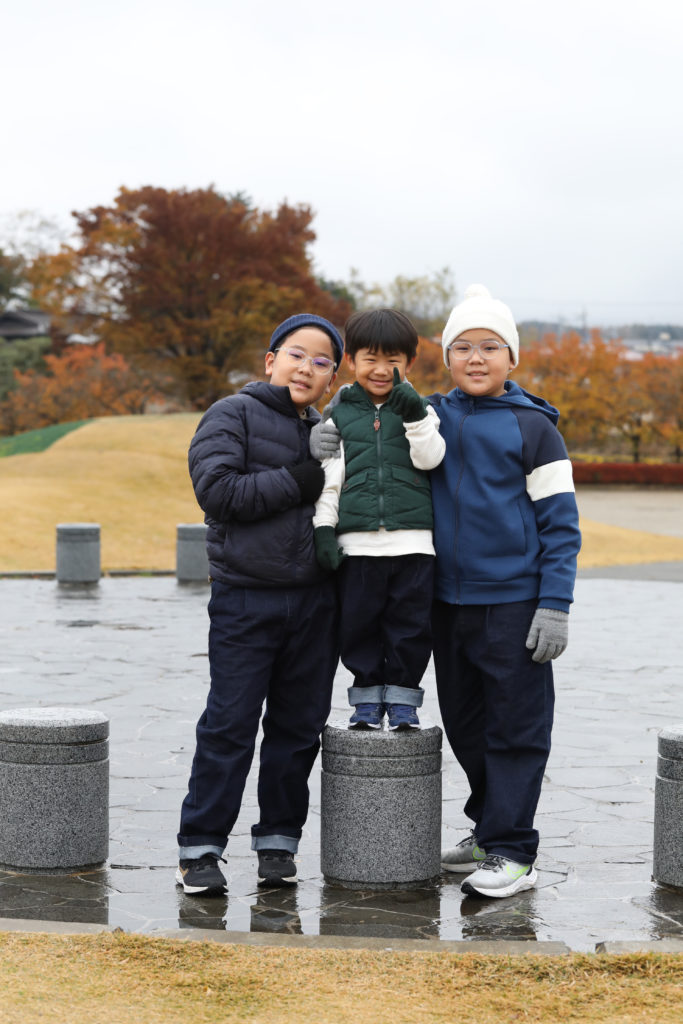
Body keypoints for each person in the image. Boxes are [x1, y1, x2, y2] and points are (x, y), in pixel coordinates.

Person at [176, 313, 343, 897]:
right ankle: (199, 847)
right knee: (230, 725)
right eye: (298, 354)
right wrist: (304, 476)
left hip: (317, 606)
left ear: (331, 379)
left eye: (323, 362)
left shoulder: (330, 429)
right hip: (245, 600)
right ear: (270, 360)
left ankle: (279, 842)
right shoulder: (232, 414)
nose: (308, 367)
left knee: (297, 730)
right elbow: (219, 494)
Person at [430, 284, 581, 899]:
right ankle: (490, 828)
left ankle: (515, 851)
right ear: (446, 358)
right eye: (462, 346)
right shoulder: (429, 416)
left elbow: (561, 524)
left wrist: (555, 602)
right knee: (465, 725)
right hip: (445, 603)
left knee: (516, 728)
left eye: (490, 346)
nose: (475, 357)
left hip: (516, 604)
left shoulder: (535, 429)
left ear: (511, 359)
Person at [311, 308, 445, 730]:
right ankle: (366, 701)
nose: (381, 369)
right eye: (370, 358)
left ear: (409, 362)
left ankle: (404, 700)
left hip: (414, 546)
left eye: (393, 360)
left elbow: (431, 458)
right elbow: (330, 479)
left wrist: (415, 416)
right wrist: (323, 530)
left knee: (410, 628)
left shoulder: (420, 409)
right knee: (359, 626)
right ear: (351, 361)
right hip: (358, 547)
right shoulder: (340, 414)